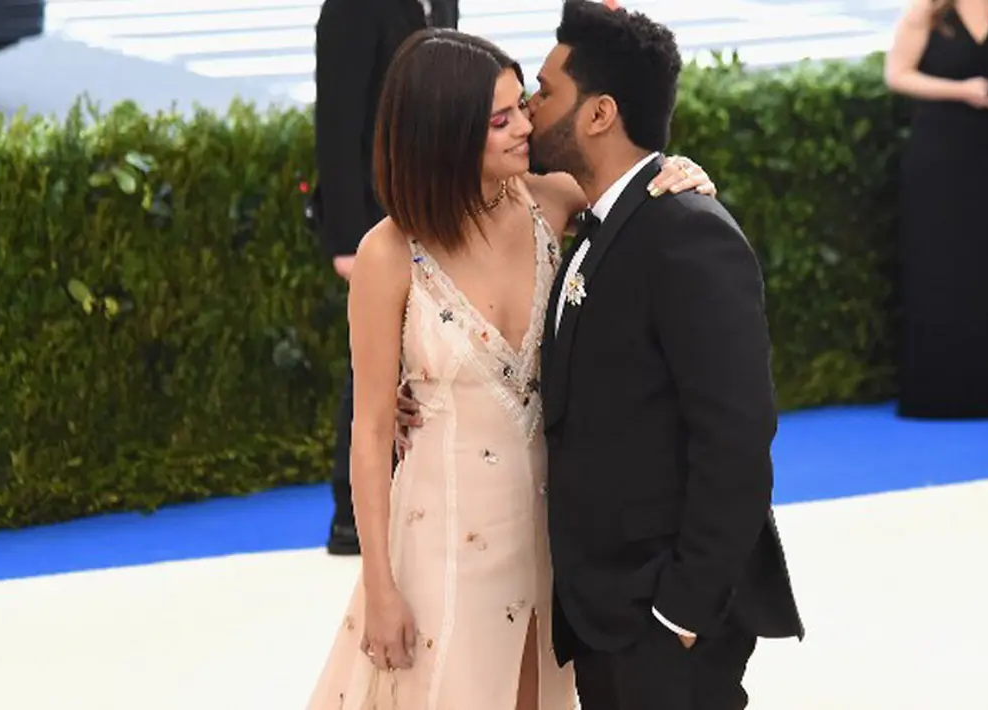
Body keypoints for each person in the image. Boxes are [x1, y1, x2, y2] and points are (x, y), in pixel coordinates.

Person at [395, 3, 805, 707]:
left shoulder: (685, 232)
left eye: (544, 92)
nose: (527, 111)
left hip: (664, 614)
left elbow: (737, 438)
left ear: (598, 113)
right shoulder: (590, 220)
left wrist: (681, 612)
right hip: (600, 610)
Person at [303, 21, 720, 710]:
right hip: (439, 540)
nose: (525, 124)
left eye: (521, 104)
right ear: (443, 131)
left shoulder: (552, 200)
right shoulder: (387, 253)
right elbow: (372, 431)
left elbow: (639, 204)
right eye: (500, 119)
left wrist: (683, 172)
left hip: (550, 536)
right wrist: (379, 586)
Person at [312, 0, 460, 556]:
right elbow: (338, 120)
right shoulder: (352, 7)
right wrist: (347, 238)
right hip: (375, 218)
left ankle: (409, 491)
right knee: (372, 362)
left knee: (422, 348)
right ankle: (350, 514)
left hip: (433, 205)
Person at [884, 0, 988, 419]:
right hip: (942, 154)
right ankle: (938, 390)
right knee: (940, 264)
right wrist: (962, 91)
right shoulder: (928, 10)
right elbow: (897, 74)